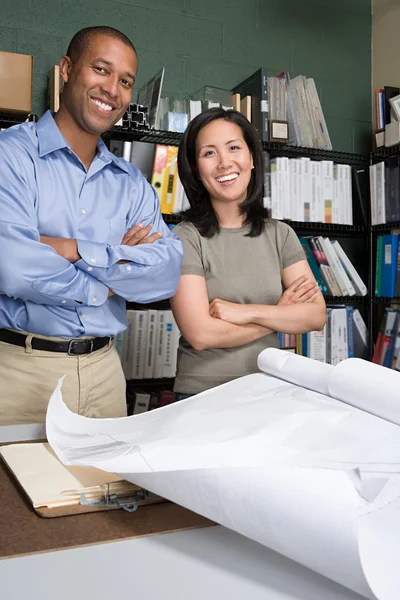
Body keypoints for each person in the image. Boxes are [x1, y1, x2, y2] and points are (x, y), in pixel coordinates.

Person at [0, 26, 183, 425]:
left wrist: (73, 250)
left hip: (104, 373)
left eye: (125, 81)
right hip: (18, 371)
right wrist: (111, 274)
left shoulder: (133, 183)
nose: (112, 89)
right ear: (67, 69)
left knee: (108, 490)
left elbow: (166, 273)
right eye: (101, 70)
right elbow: (12, 267)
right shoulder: (10, 155)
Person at [170, 108, 326, 399]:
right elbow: (201, 335)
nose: (224, 163)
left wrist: (245, 313)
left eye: (233, 148)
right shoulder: (185, 237)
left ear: (252, 158)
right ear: (195, 167)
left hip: (267, 390)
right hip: (202, 394)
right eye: (209, 153)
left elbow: (315, 315)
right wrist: (279, 314)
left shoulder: (280, 234)